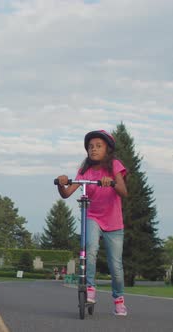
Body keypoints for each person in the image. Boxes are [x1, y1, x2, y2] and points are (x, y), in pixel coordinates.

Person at [55, 129, 128, 316]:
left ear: (107, 149)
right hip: (92, 216)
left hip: (113, 221)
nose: (93, 149)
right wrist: (60, 184)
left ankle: (119, 299)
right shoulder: (84, 170)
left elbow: (123, 191)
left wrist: (110, 181)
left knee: (116, 266)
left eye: (98, 146)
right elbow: (66, 194)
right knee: (90, 249)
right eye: (90, 146)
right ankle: (90, 290)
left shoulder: (114, 165)